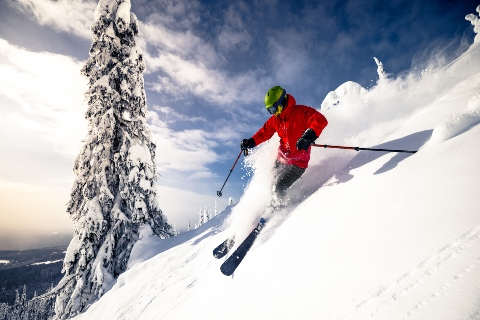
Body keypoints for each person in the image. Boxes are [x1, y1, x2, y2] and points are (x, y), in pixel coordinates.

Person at [241, 85, 328, 205]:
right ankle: (268, 207)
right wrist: (251, 142)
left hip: (298, 163)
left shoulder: (301, 112)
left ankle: (277, 213)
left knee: (278, 188)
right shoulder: (276, 119)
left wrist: (309, 136)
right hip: (282, 159)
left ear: (281, 101)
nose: (273, 113)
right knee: (270, 183)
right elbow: (264, 133)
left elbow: (320, 119)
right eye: (270, 110)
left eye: (273, 109)